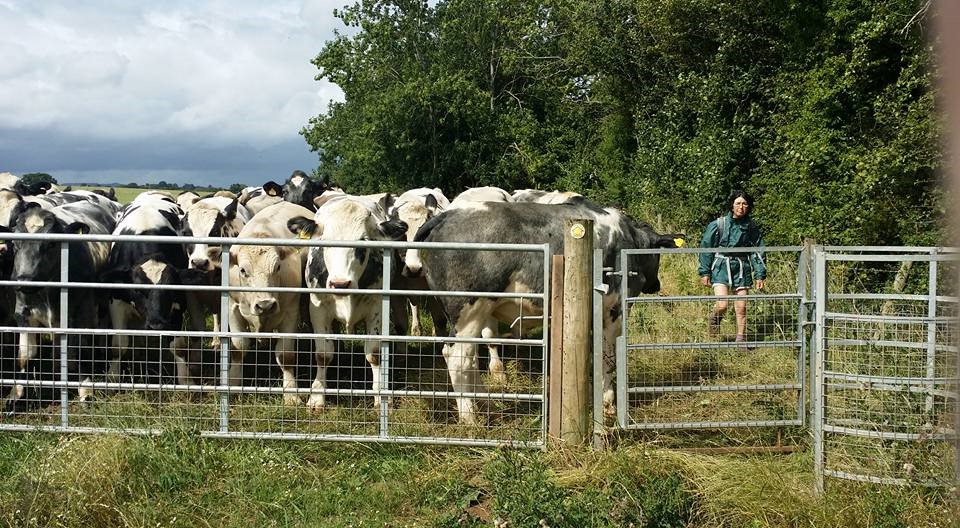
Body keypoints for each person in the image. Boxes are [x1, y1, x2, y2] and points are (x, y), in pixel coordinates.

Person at [698, 190, 766, 344]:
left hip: (742, 268)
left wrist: (760, 274)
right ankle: (715, 320)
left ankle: (740, 340)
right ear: (732, 205)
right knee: (722, 305)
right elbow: (706, 248)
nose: (741, 207)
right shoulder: (718, 224)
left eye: (744, 204)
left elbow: (757, 250)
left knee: (741, 307)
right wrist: (705, 272)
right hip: (721, 267)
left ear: (748, 207)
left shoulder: (751, 227)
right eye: (738, 203)